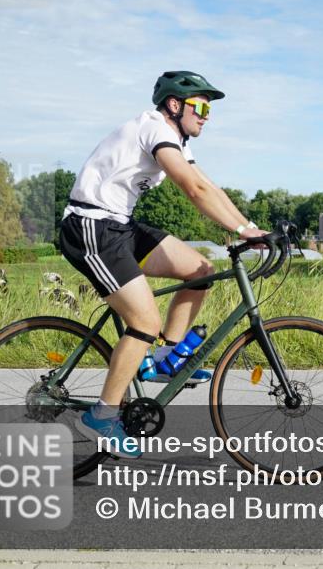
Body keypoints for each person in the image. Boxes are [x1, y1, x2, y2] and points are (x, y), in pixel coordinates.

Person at [59, 70, 268, 458]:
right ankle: (101, 417)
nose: (207, 115)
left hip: (119, 225)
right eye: (201, 106)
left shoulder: (174, 138)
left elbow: (210, 186)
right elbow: (194, 189)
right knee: (144, 323)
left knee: (200, 270)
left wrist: (251, 228)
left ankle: (167, 356)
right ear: (175, 105)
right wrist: (241, 230)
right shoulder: (154, 127)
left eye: (210, 109)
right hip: (90, 226)